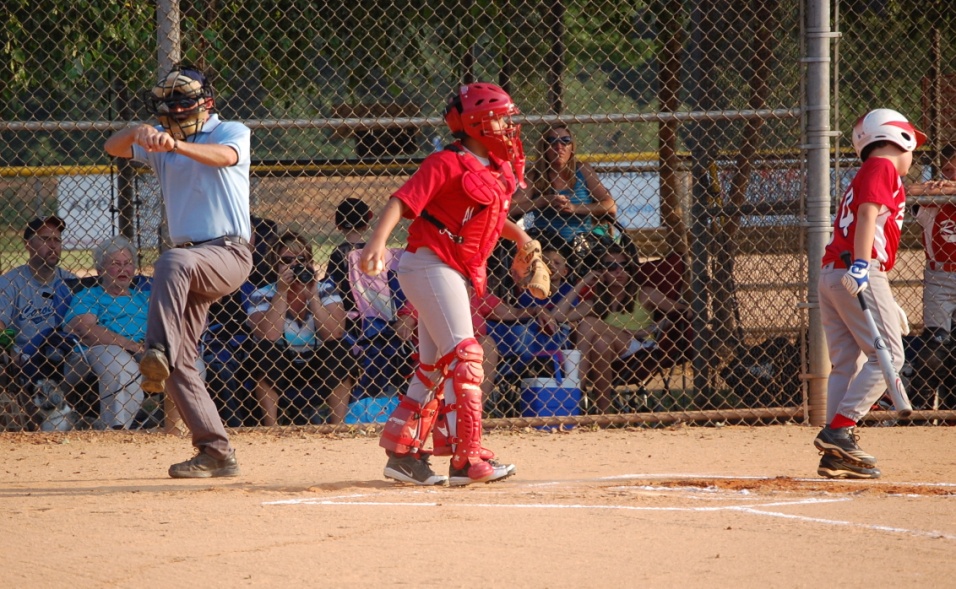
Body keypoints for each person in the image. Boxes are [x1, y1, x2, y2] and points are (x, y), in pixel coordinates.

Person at [360, 82, 548, 487]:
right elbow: (401, 201)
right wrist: (377, 243)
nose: (508, 127)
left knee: (434, 368)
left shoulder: (494, 169)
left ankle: (403, 456)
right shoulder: (445, 162)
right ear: (477, 124)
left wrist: (523, 240)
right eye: (499, 119)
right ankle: (467, 459)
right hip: (429, 264)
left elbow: (492, 219)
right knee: (467, 355)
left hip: (450, 271)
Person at [104, 64, 253, 478]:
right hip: (189, 264)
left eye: (184, 102)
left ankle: (155, 350)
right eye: (169, 104)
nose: (176, 109)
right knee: (179, 363)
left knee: (171, 261)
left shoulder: (229, 131)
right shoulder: (159, 139)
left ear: (207, 102)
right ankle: (215, 451)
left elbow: (225, 158)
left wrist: (175, 146)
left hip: (228, 252)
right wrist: (137, 132)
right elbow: (112, 147)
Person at [816, 108, 925, 479]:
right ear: (898, 138)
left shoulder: (867, 171)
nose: (912, 157)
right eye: (912, 148)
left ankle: (836, 451)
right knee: (888, 356)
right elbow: (867, 216)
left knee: (846, 363)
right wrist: (863, 266)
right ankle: (839, 430)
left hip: (833, 273)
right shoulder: (883, 167)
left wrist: (884, 298)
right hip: (858, 268)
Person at [556, 243, 689, 413]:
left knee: (588, 322)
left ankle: (574, 390)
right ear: (601, 272)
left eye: (624, 266)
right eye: (611, 267)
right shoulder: (596, 303)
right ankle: (604, 415)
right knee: (601, 342)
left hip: (639, 349)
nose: (619, 271)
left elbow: (683, 310)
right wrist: (583, 282)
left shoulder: (644, 294)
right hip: (609, 350)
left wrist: (659, 325)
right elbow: (557, 316)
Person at [245, 230, 357, 426]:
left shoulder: (324, 290)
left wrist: (312, 295)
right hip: (281, 364)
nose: (295, 265)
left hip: (317, 362)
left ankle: (337, 426)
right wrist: (281, 292)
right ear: (275, 264)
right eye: (287, 260)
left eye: (302, 260)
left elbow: (334, 334)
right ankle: (271, 427)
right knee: (264, 351)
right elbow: (268, 335)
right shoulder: (261, 294)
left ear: (310, 263)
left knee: (340, 350)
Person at [62, 237, 149, 429]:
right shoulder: (88, 296)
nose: (123, 269)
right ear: (100, 270)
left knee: (192, 361)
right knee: (119, 360)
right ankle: (115, 430)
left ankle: (183, 429)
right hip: (95, 353)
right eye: (115, 264)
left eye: (128, 264)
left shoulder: (146, 298)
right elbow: (84, 330)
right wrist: (130, 346)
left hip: (145, 354)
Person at [511, 124, 617, 248]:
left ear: (572, 147)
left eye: (565, 141)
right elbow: (509, 209)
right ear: (544, 147)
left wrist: (574, 208)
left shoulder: (583, 170)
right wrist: (542, 201)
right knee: (551, 254)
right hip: (548, 244)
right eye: (552, 141)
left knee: (611, 253)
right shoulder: (535, 176)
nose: (559, 146)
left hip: (582, 243)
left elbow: (610, 206)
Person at [908, 144, 956, 409]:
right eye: (946, 170)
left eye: (955, 170)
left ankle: (950, 409)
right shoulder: (934, 199)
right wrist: (939, 189)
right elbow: (909, 191)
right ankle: (919, 408)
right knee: (936, 348)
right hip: (941, 278)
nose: (949, 176)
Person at [0, 216, 77, 370]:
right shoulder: (10, 282)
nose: (53, 245)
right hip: (25, 358)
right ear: (28, 244)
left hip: (67, 355)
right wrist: (10, 353)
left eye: (57, 240)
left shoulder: (71, 281)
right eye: (45, 239)